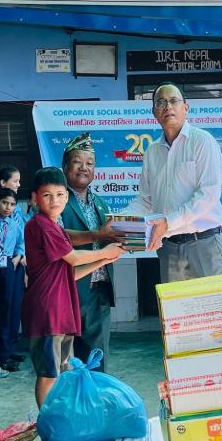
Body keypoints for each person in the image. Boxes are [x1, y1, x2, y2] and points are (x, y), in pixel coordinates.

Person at [22, 167, 124, 407]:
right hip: (48, 311)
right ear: (34, 198)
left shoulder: (54, 226)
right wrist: (104, 251)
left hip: (60, 310)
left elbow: (72, 273)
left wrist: (104, 260)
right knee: (49, 373)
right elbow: (74, 258)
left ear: (67, 197)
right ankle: (46, 420)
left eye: (59, 195)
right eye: (47, 195)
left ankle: (60, 417)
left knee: (62, 369)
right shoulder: (41, 225)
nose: (54, 201)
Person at [123, 83, 222, 282]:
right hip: (168, 247)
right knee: (175, 303)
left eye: (173, 101)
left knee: (211, 302)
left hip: (204, 244)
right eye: (161, 102)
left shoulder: (202, 141)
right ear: (154, 112)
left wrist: (168, 222)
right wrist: (120, 221)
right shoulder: (152, 151)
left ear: (185, 108)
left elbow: (208, 195)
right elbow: (146, 199)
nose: (168, 107)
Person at [60, 134, 124, 373]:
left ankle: (96, 395)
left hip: (99, 289)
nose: (84, 168)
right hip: (69, 289)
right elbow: (57, 237)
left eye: (90, 163)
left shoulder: (101, 203)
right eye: (77, 162)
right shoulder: (57, 201)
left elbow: (109, 237)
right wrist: (98, 235)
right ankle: (73, 397)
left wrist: (125, 239)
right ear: (65, 166)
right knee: (67, 358)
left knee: (98, 357)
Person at [0, 188, 25, 372]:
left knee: (6, 309)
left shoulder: (13, 224)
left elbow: (21, 243)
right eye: (4, 203)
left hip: (8, 266)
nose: (8, 207)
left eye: (12, 204)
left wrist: (18, 256)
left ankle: (4, 353)